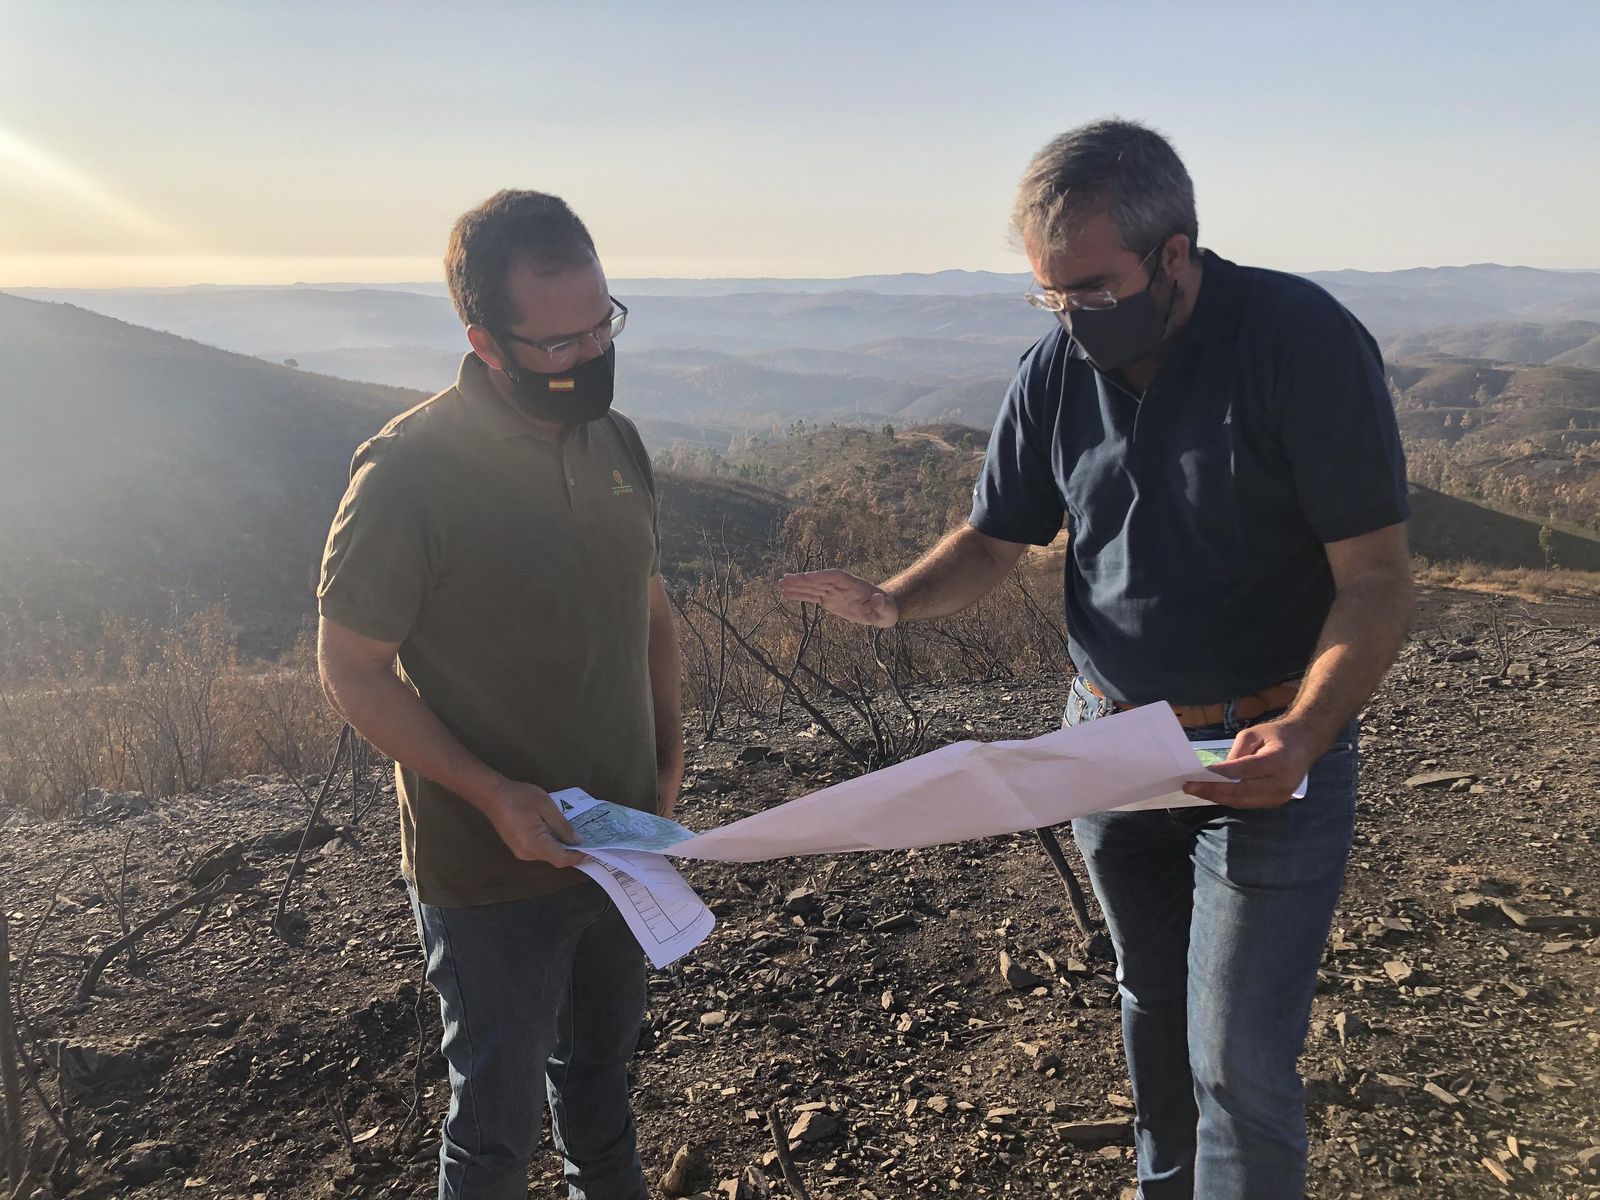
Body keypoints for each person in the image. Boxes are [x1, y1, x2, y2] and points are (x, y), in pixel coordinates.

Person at [780, 119, 1414, 1199]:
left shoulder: (1299, 342)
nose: (1073, 316)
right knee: (1151, 1008)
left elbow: (1376, 581)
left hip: (1269, 753)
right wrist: (893, 602)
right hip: (1110, 742)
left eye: (1091, 288)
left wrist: (1304, 731)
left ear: (1175, 256)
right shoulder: (1055, 370)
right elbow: (995, 537)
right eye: (1049, 294)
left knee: (1238, 1066)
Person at [316, 189, 682, 1200]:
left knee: (601, 1096)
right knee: (492, 1133)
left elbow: (648, 605)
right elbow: (351, 669)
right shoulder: (407, 473)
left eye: (599, 326)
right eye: (555, 343)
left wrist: (667, 758)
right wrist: (491, 795)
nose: (585, 358)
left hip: (620, 846)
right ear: (484, 339)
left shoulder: (618, 443)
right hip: (489, 873)